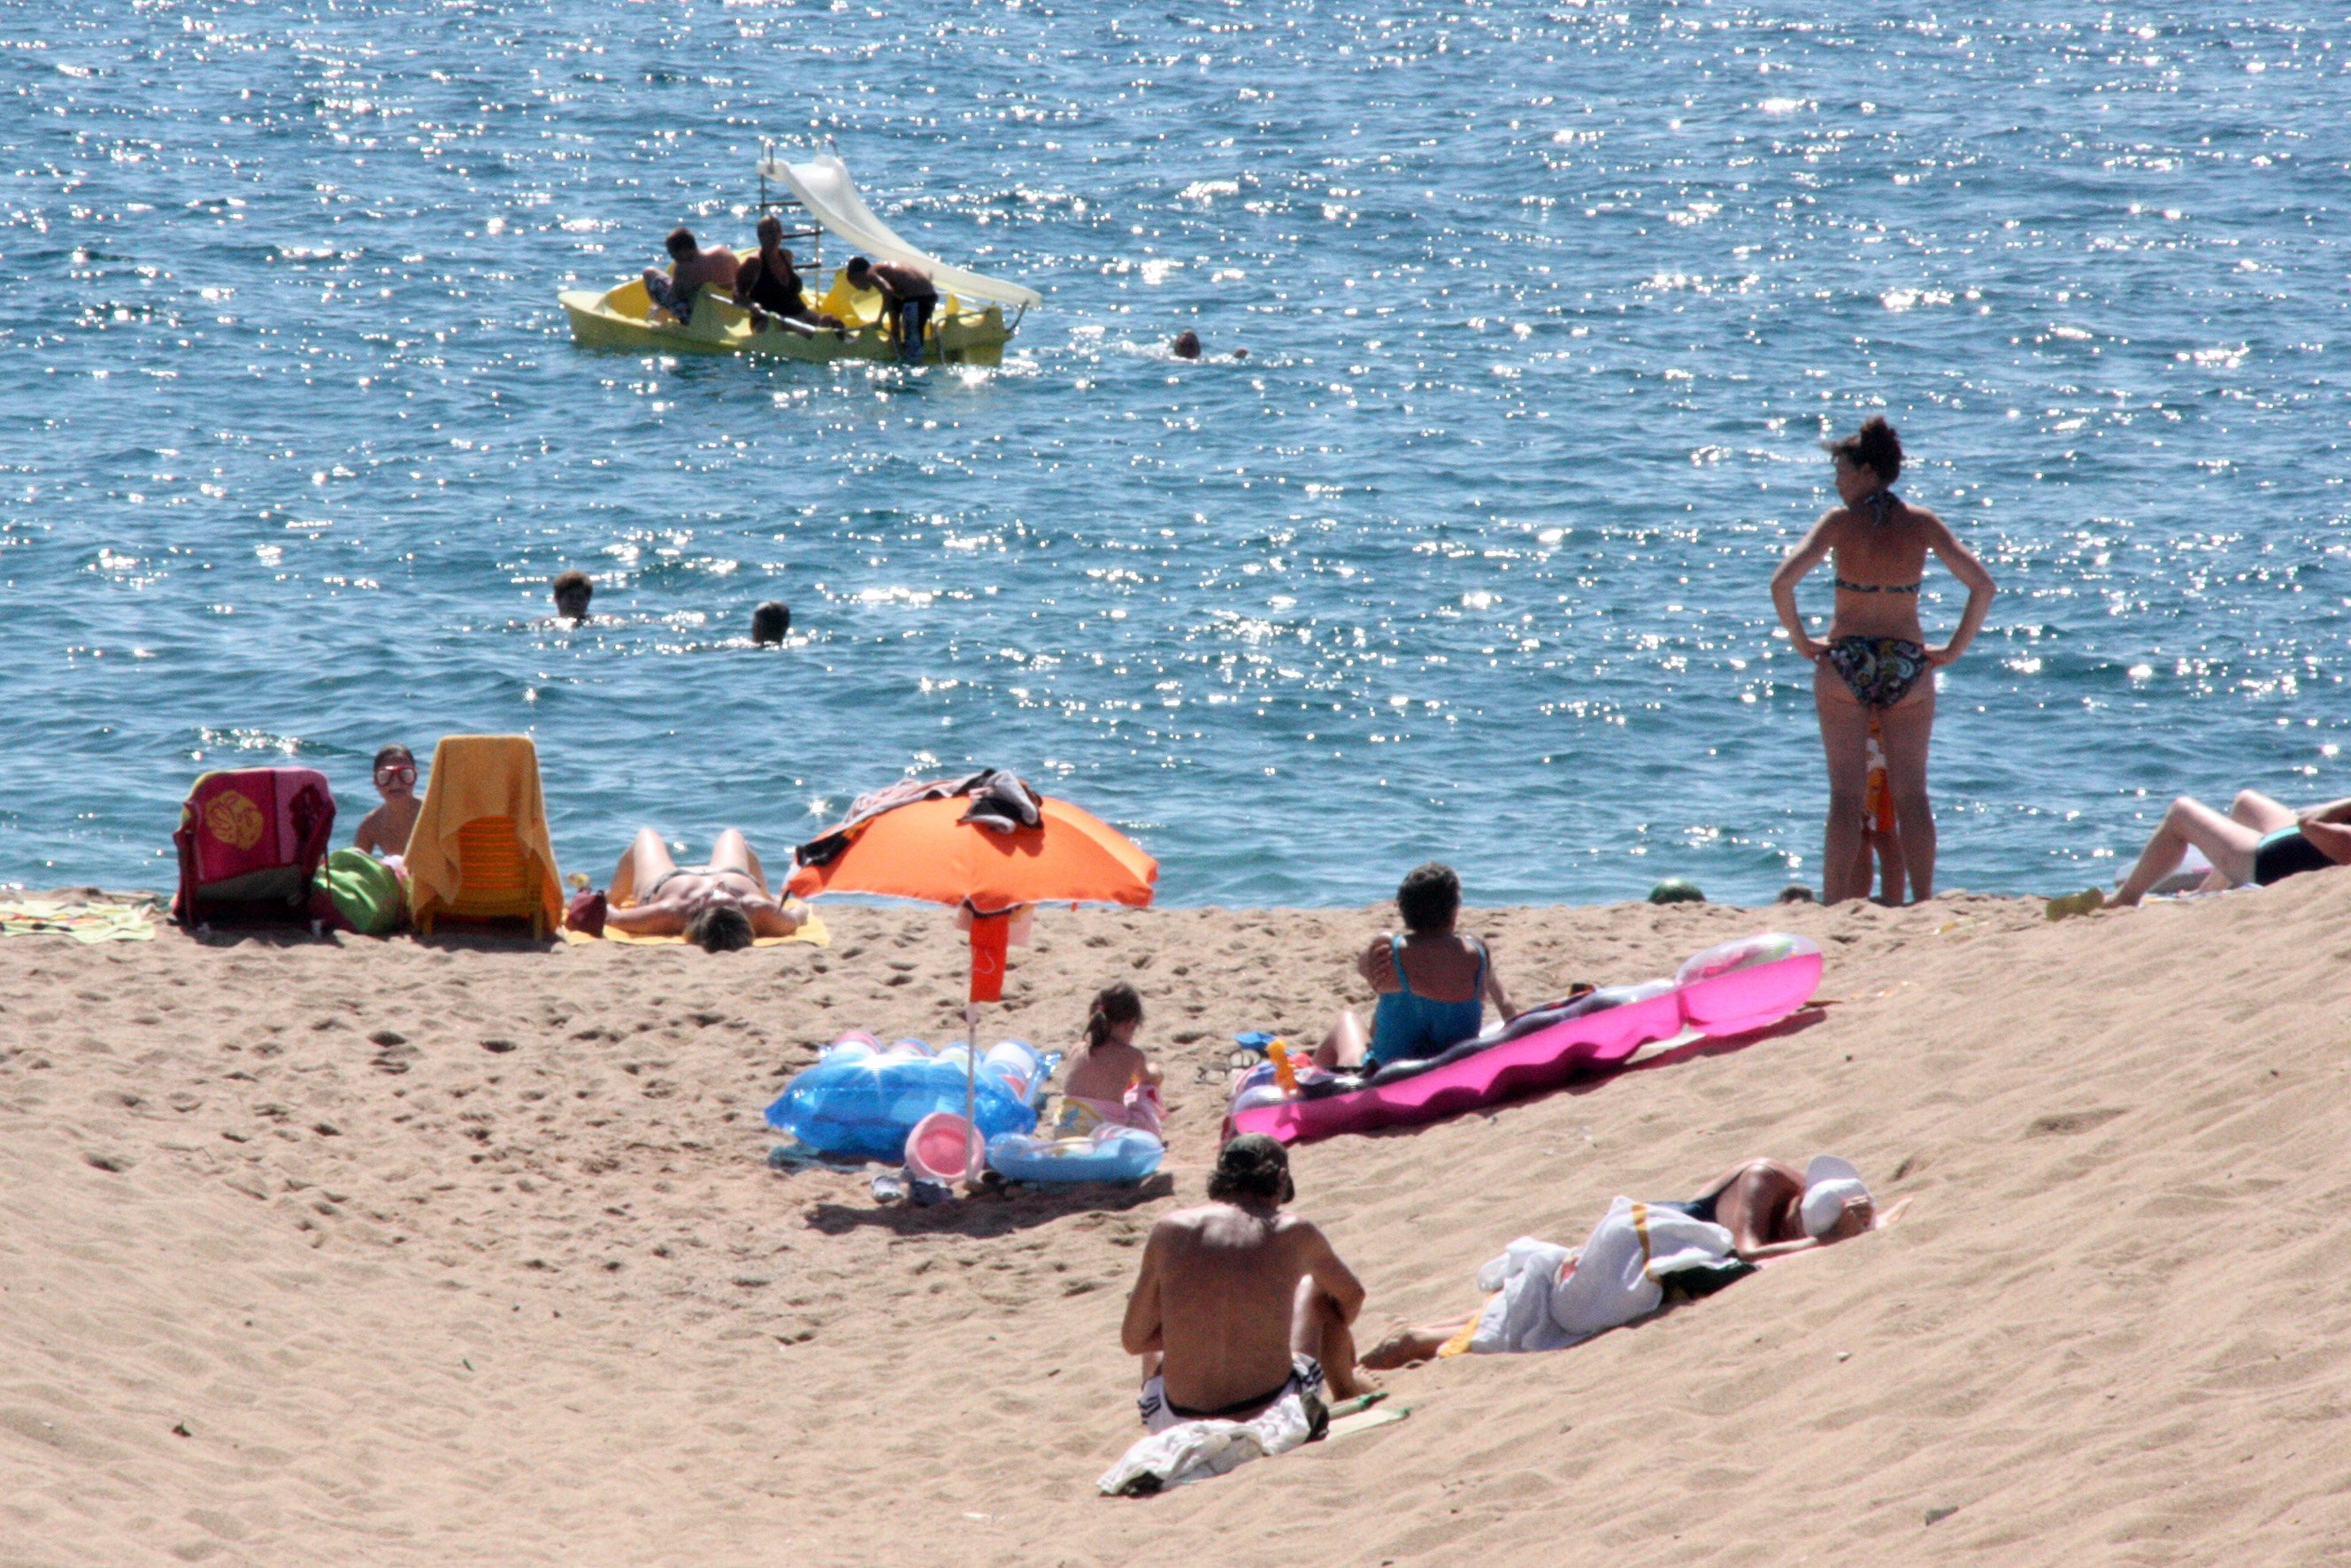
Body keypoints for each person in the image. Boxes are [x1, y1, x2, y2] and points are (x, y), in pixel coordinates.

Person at [1361, 1157, 1883, 1370]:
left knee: (1523, 1307)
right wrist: (1823, 1243)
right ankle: (1407, 1346)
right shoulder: (1765, 1180)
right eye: (1791, 1225)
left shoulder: (1795, 1191)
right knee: (1526, 1326)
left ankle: (1410, 1337)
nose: (1788, 1234)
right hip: (1630, 1245)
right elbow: (1746, 1254)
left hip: (1622, 1243)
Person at [1770, 416, 1995, 905]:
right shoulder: (1922, 524)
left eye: (1844, 472)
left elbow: (1782, 582)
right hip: (1906, 663)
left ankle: (1832, 905)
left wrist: (1800, 639)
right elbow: (1983, 585)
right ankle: (1924, 900)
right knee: (1913, 794)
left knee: (1846, 798)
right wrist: (1953, 650)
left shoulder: (1837, 523)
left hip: (1846, 659)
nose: (1837, 482)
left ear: (1870, 472)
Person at [1120, 1134, 1371, 1432]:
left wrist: (1198, 1332)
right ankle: (1346, 1388)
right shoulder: (1294, 1230)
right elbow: (1353, 1296)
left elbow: (1134, 1341)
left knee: (1160, 1307)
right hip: (1272, 1409)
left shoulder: (1170, 1229)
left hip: (1176, 1421)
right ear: (1280, 1178)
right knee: (1316, 1288)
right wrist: (1261, 1331)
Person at [1314, 862, 1517, 1072]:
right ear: (1454, 909)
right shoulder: (1478, 953)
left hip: (1387, 1074)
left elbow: (1363, 968)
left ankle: (1308, 1085)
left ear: (1404, 910)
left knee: (1347, 1021)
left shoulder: (1390, 952)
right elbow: (1505, 1003)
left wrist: (1384, 939)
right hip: (1454, 1066)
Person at [2049, 790, 2351, 916]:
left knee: (2181, 813)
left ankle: (2124, 900)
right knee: (2247, 802)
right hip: (2296, 844)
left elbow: (2309, 822)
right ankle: (2211, 889)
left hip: (2268, 863)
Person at [601, 828, 801, 951]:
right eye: (728, 895)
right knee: (732, 835)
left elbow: (612, 917)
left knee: (646, 836)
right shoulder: (758, 908)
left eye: (712, 895)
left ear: (697, 908)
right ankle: (768, 894)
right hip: (730, 872)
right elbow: (798, 914)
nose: (717, 887)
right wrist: (772, 904)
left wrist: (605, 903)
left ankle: (615, 895)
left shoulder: (671, 910)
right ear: (742, 910)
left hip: (670, 882)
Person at [1055, 982, 1165, 1138]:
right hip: (1103, 1138)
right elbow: (1149, 1078)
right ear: (1131, 1024)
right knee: (1146, 1091)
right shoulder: (1132, 1056)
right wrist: (1156, 1072)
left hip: (1064, 1132)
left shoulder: (1077, 1049)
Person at [733, 217, 844, 334]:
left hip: (799, 312)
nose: (774, 236)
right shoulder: (754, 263)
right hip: (771, 320)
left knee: (833, 323)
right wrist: (752, 305)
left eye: (777, 231)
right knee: (811, 332)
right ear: (761, 235)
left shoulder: (786, 256)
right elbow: (737, 295)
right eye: (770, 232)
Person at [844, 256, 938, 363]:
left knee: (912, 341)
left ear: (855, 276)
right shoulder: (885, 269)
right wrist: (894, 334)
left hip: (916, 299)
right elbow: (893, 302)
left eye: (856, 285)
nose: (860, 289)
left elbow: (888, 292)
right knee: (896, 305)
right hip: (929, 296)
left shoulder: (871, 273)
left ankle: (916, 368)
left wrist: (880, 319)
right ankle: (897, 339)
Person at [641, 227, 740, 327]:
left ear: (683, 251)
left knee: (649, 272)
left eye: (673, 254)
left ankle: (657, 308)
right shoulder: (722, 251)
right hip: (732, 308)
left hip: (700, 316)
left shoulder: (684, 268)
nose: (672, 258)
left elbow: (675, 295)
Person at [1854, 718, 1907, 905]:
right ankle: (1858, 903)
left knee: (1878, 834)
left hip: (1875, 740)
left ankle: (1891, 902)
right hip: (1878, 737)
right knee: (1865, 834)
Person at [353, 744, 421, 858]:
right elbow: (357, 868)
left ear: (415, 777)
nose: (396, 784)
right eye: (385, 776)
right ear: (375, 781)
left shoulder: (434, 811)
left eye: (405, 775)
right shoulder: (371, 825)